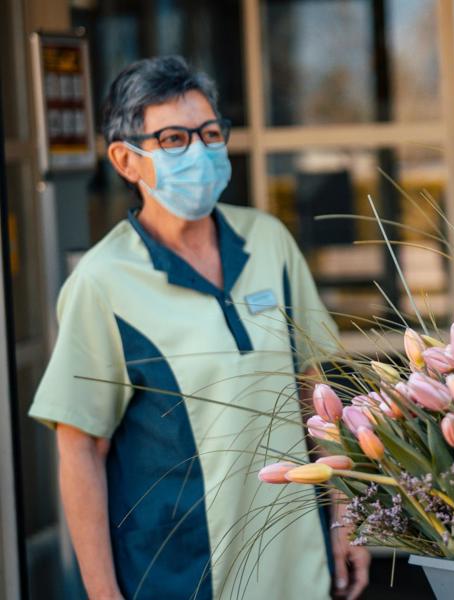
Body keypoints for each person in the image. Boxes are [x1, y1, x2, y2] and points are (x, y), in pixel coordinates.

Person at [29, 56, 369, 600]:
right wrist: (102, 595)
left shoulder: (269, 242)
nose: (200, 150)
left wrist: (346, 517)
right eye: (172, 138)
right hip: (179, 574)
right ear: (125, 160)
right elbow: (80, 451)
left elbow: (317, 392)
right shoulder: (101, 282)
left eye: (209, 133)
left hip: (295, 564)